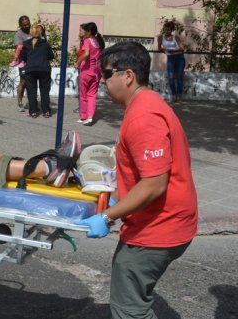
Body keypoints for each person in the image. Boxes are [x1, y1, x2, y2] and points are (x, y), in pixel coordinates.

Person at [75, 41, 198, 319]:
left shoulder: (144, 116)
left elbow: (154, 183)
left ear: (128, 76)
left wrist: (107, 216)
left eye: (107, 74)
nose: (102, 80)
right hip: (163, 221)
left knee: (129, 310)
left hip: (158, 227)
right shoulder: (145, 104)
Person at [20, 24, 54, 118]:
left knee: (31, 91)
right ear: (40, 32)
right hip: (44, 69)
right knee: (45, 91)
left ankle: (33, 112)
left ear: (31, 32)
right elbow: (51, 56)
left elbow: (23, 57)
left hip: (30, 69)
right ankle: (46, 111)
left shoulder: (26, 43)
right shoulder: (45, 43)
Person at [75, 22, 105, 126]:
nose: (83, 32)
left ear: (89, 31)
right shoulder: (97, 42)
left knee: (83, 95)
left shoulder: (87, 41)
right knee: (92, 95)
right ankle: (90, 116)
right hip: (96, 73)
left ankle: (83, 116)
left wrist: (78, 62)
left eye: (85, 30)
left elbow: (86, 54)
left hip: (86, 71)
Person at [157, 20, 186, 102]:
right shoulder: (160, 37)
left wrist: (173, 51)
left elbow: (182, 48)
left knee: (179, 77)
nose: (167, 31)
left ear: (171, 30)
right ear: (164, 29)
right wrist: (166, 51)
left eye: (169, 30)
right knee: (171, 77)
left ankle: (179, 96)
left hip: (179, 58)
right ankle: (173, 95)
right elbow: (159, 48)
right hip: (170, 58)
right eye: (166, 29)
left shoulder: (175, 37)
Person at [12, 15, 32, 112]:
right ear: (20, 25)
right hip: (23, 62)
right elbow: (19, 48)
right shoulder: (19, 34)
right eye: (24, 25)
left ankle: (32, 103)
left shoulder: (33, 31)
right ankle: (20, 103)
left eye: (28, 24)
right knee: (23, 82)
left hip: (33, 61)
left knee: (31, 82)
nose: (27, 26)